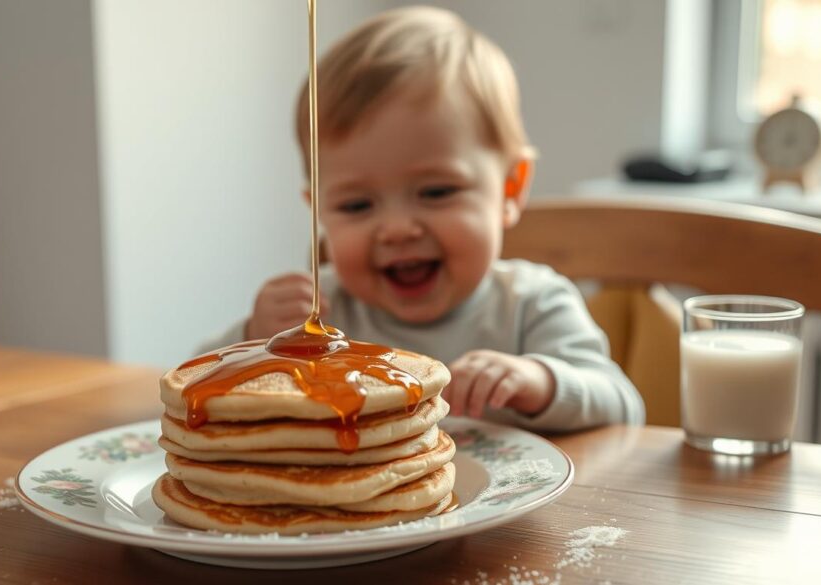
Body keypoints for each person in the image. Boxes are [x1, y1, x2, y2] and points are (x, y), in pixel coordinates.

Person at [201, 6, 644, 431]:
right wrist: (255, 337)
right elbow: (192, 387)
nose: (397, 230)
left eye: (436, 192)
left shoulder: (531, 305)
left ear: (510, 189)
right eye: (357, 205)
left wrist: (539, 382)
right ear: (318, 210)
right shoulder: (319, 319)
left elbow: (624, 408)